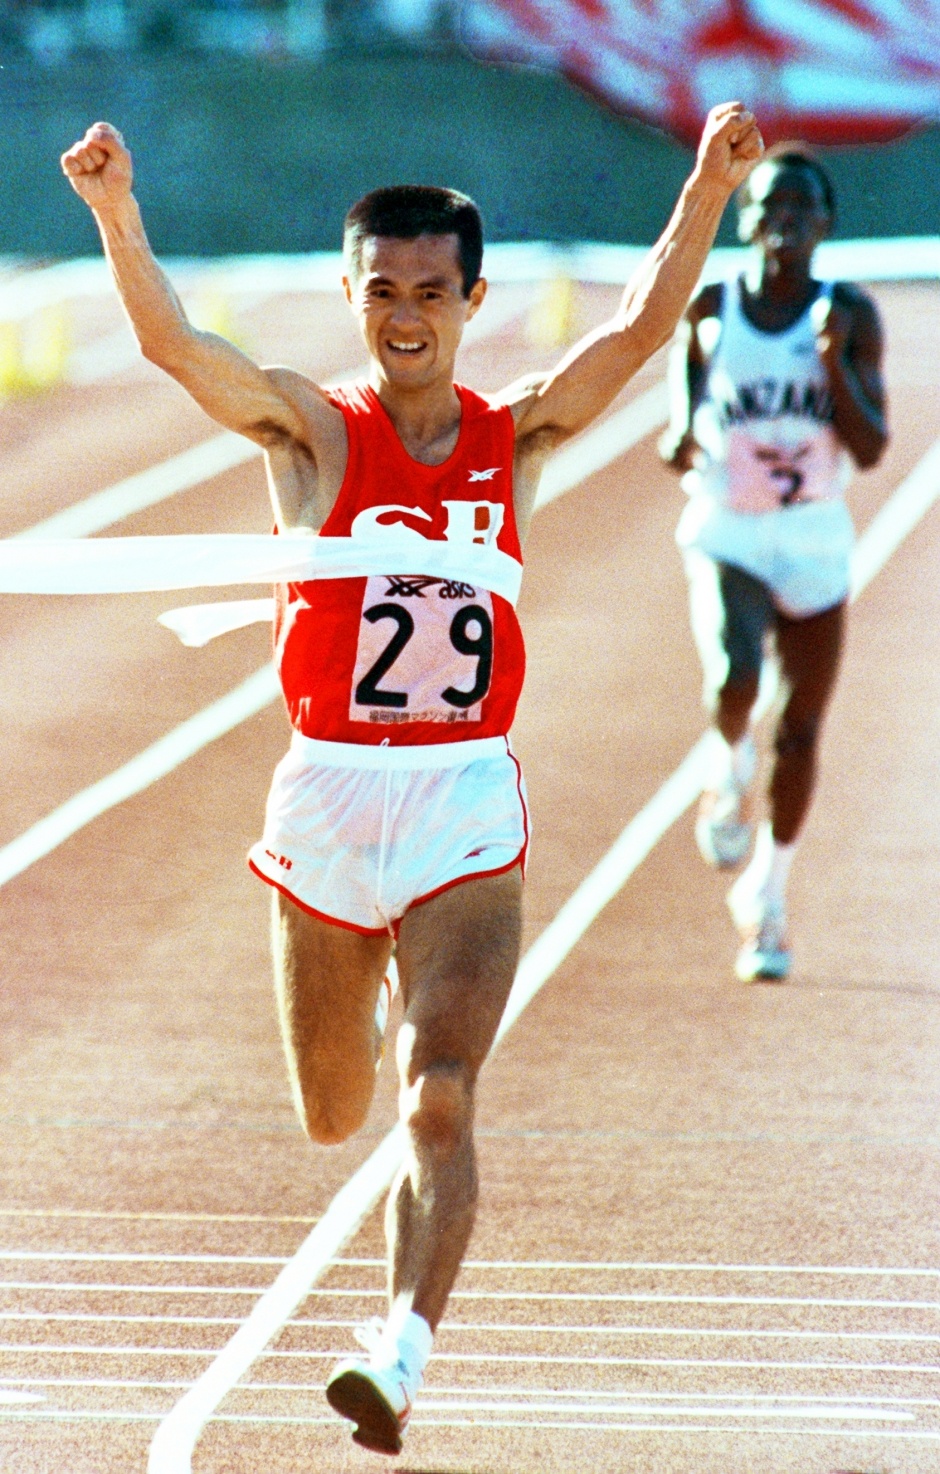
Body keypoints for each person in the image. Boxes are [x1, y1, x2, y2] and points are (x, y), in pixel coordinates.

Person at [61, 105, 762, 1457]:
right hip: (327, 803)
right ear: (352, 296)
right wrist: (116, 214)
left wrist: (707, 185)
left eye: (431, 292)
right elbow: (175, 348)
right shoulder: (309, 434)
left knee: (437, 1091)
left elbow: (637, 331)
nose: (405, 314)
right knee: (334, 1112)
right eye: (382, 290)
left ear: (471, 302)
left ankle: (397, 1351)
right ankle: (378, 1020)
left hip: (460, 808)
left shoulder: (517, 435)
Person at [660, 143, 887, 984]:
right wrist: (680, 436)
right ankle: (727, 766)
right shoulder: (711, 308)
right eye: (769, 206)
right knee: (736, 677)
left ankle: (768, 895)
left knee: (800, 732)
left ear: (826, 222)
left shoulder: (849, 313)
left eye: (802, 207)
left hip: (814, 537)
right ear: (747, 221)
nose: (785, 220)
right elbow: (681, 412)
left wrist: (830, 363)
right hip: (731, 529)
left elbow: (872, 445)